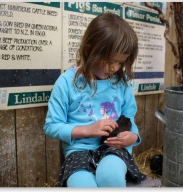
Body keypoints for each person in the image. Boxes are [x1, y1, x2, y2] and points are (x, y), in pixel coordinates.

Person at [44, 12, 142, 187]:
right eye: (110, 61)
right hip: (79, 152)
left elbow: (129, 118)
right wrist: (88, 130)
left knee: (110, 177)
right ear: (90, 51)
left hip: (114, 148)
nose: (114, 68)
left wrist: (133, 137)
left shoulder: (121, 82)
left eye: (120, 62)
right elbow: (51, 126)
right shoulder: (66, 83)